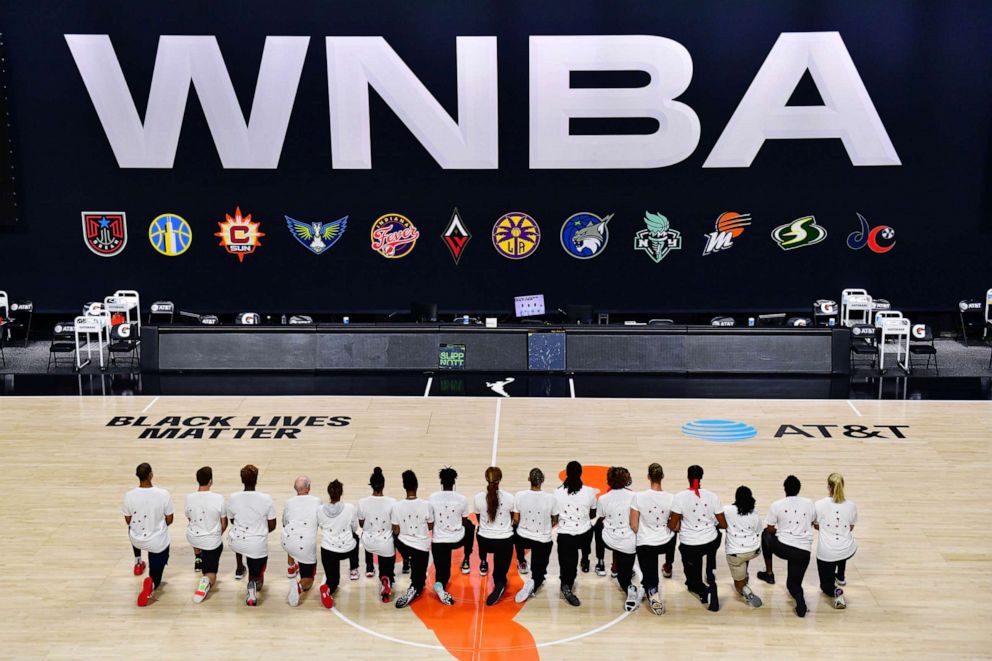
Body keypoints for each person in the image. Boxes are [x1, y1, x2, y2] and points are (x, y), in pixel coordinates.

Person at [757, 475, 816, 618]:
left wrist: (780, 531)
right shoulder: (809, 503)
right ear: (799, 489)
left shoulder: (777, 504)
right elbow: (814, 522)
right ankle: (800, 600)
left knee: (765, 534)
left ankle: (769, 573)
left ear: (784, 489)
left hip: (783, 548)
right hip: (803, 552)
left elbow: (770, 528)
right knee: (793, 585)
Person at [669, 465, 725, 612]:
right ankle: (710, 571)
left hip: (691, 544)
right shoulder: (713, 496)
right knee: (716, 536)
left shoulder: (679, 497)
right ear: (701, 478)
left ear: (688, 478)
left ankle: (703, 590)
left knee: (691, 581)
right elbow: (723, 524)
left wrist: (679, 522)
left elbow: (673, 525)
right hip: (710, 542)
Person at [122, 462, 174, 607]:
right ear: (151, 475)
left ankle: (138, 561)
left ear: (137, 477)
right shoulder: (163, 494)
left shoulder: (129, 495)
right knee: (156, 574)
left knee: (132, 527)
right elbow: (169, 519)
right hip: (157, 542)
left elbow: (128, 520)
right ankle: (152, 583)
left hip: (136, 540)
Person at [227, 464, 277, 606]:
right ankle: (252, 584)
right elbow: (272, 526)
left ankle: (239, 567)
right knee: (258, 578)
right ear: (256, 480)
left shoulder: (233, 497)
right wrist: (258, 530)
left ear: (242, 480)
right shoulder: (266, 498)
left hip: (236, 541)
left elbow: (232, 520)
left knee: (239, 532)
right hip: (256, 545)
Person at [630, 462, 675, 615]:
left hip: (646, 543)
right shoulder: (671, 498)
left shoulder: (638, 497)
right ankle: (668, 564)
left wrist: (643, 533)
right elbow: (675, 523)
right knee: (672, 536)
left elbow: (633, 524)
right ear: (662, 477)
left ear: (648, 477)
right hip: (665, 542)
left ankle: (653, 592)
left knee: (649, 568)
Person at [553, 460, 599, 607]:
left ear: (566, 474)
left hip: (566, 536)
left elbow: (554, 515)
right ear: (581, 473)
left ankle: (566, 584)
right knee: (587, 536)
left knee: (568, 565)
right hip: (584, 534)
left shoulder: (557, 492)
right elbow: (592, 514)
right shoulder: (590, 492)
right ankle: (585, 560)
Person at [597, 466, 641, 611]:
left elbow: (601, 517)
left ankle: (601, 562)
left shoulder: (603, 499)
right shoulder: (635, 496)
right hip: (629, 543)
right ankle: (629, 588)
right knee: (625, 576)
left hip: (609, 540)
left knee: (598, 526)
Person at [513, 468, 559, 603]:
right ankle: (534, 581)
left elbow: (515, 519)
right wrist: (546, 527)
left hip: (523, 538)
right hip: (542, 540)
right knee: (539, 572)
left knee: (514, 531)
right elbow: (555, 520)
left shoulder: (519, 495)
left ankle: (521, 561)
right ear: (542, 480)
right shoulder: (552, 498)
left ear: (529, 479)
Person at [428, 467, 471, 605]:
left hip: (439, 542)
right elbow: (464, 522)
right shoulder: (462, 499)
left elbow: (430, 521)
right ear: (454, 482)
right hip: (457, 539)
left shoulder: (432, 498)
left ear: (441, 482)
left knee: (444, 572)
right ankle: (466, 560)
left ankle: (439, 583)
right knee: (470, 526)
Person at [814, 473, 857, 610]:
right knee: (841, 548)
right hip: (848, 549)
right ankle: (841, 574)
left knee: (825, 586)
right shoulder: (851, 505)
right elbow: (850, 527)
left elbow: (815, 525)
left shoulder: (819, 505)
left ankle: (836, 592)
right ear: (842, 486)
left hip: (827, 553)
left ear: (828, 486)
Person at [391, 469, 434, 608]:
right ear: (417, 486)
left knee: (393, 537)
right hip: (421, 548)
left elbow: (396, 530)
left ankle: (406, 559)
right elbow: (430, 526)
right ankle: (413, 589)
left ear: (404, 487)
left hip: (404, 546)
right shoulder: (426, 505)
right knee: (420, 583)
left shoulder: (396, 506)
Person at [184, 466, 226, 603]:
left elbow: (190, 519)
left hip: (193, 538)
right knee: (211, 573)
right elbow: (224, 524)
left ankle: (198, 558)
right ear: (211, 481)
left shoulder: (189, 498)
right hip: (211, 542)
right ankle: (205, 581)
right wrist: (216, 535)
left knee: (195, 528)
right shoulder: (219, 498)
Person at [474, 466, 515, 606]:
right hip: (505, 542)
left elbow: (479, 520)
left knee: (479, 530)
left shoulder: (478, 498)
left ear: (486, 479)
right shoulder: (510, 498)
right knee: (500, 571)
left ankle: (483, 561)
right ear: (500, 480)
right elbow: (513, 519)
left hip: (485, 541)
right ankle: (500, 583)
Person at [317, 479, 359, 609]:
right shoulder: (350, 508)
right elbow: (354, 527)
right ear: (341, 493)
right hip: (347, 549)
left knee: (334, 581)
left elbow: (321, 526)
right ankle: (354, 569)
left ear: (328, 493)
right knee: (356, 538)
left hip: (328, 550)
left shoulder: (319, 509)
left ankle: (327, 588)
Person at [281, 476, 321, 606]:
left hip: (287, 542)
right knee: (308, 580)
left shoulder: (289, 502)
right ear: (308, 487)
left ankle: (291, 567)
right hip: (305, 546)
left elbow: (284, 523)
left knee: (291, 531)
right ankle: (298, 587)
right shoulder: (316, 501)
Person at [358, 467, 397, 603]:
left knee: (367, 532)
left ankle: (369, 567)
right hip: (386, 544)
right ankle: (386, 578)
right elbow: (395, 524)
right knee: (390, 541)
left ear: (371, 485)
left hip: (368, 543)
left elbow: (362, 524)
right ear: (383, 485)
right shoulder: (392, 502)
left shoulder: (362, 502)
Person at [723, 486, 763, 608]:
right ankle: (744, 574)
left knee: (738, 585)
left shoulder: (727, 510)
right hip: (753, 550)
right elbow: (757, 531)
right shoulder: (754, 513)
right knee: (745, 557)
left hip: (735, 554)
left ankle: (745, 590)